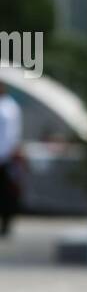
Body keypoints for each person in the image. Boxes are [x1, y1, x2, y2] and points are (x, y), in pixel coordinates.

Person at [0, 79, 23, 236]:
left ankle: (6, 224)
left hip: (5, 156)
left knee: (6, 193)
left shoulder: (9, 107)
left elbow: (12, 134)